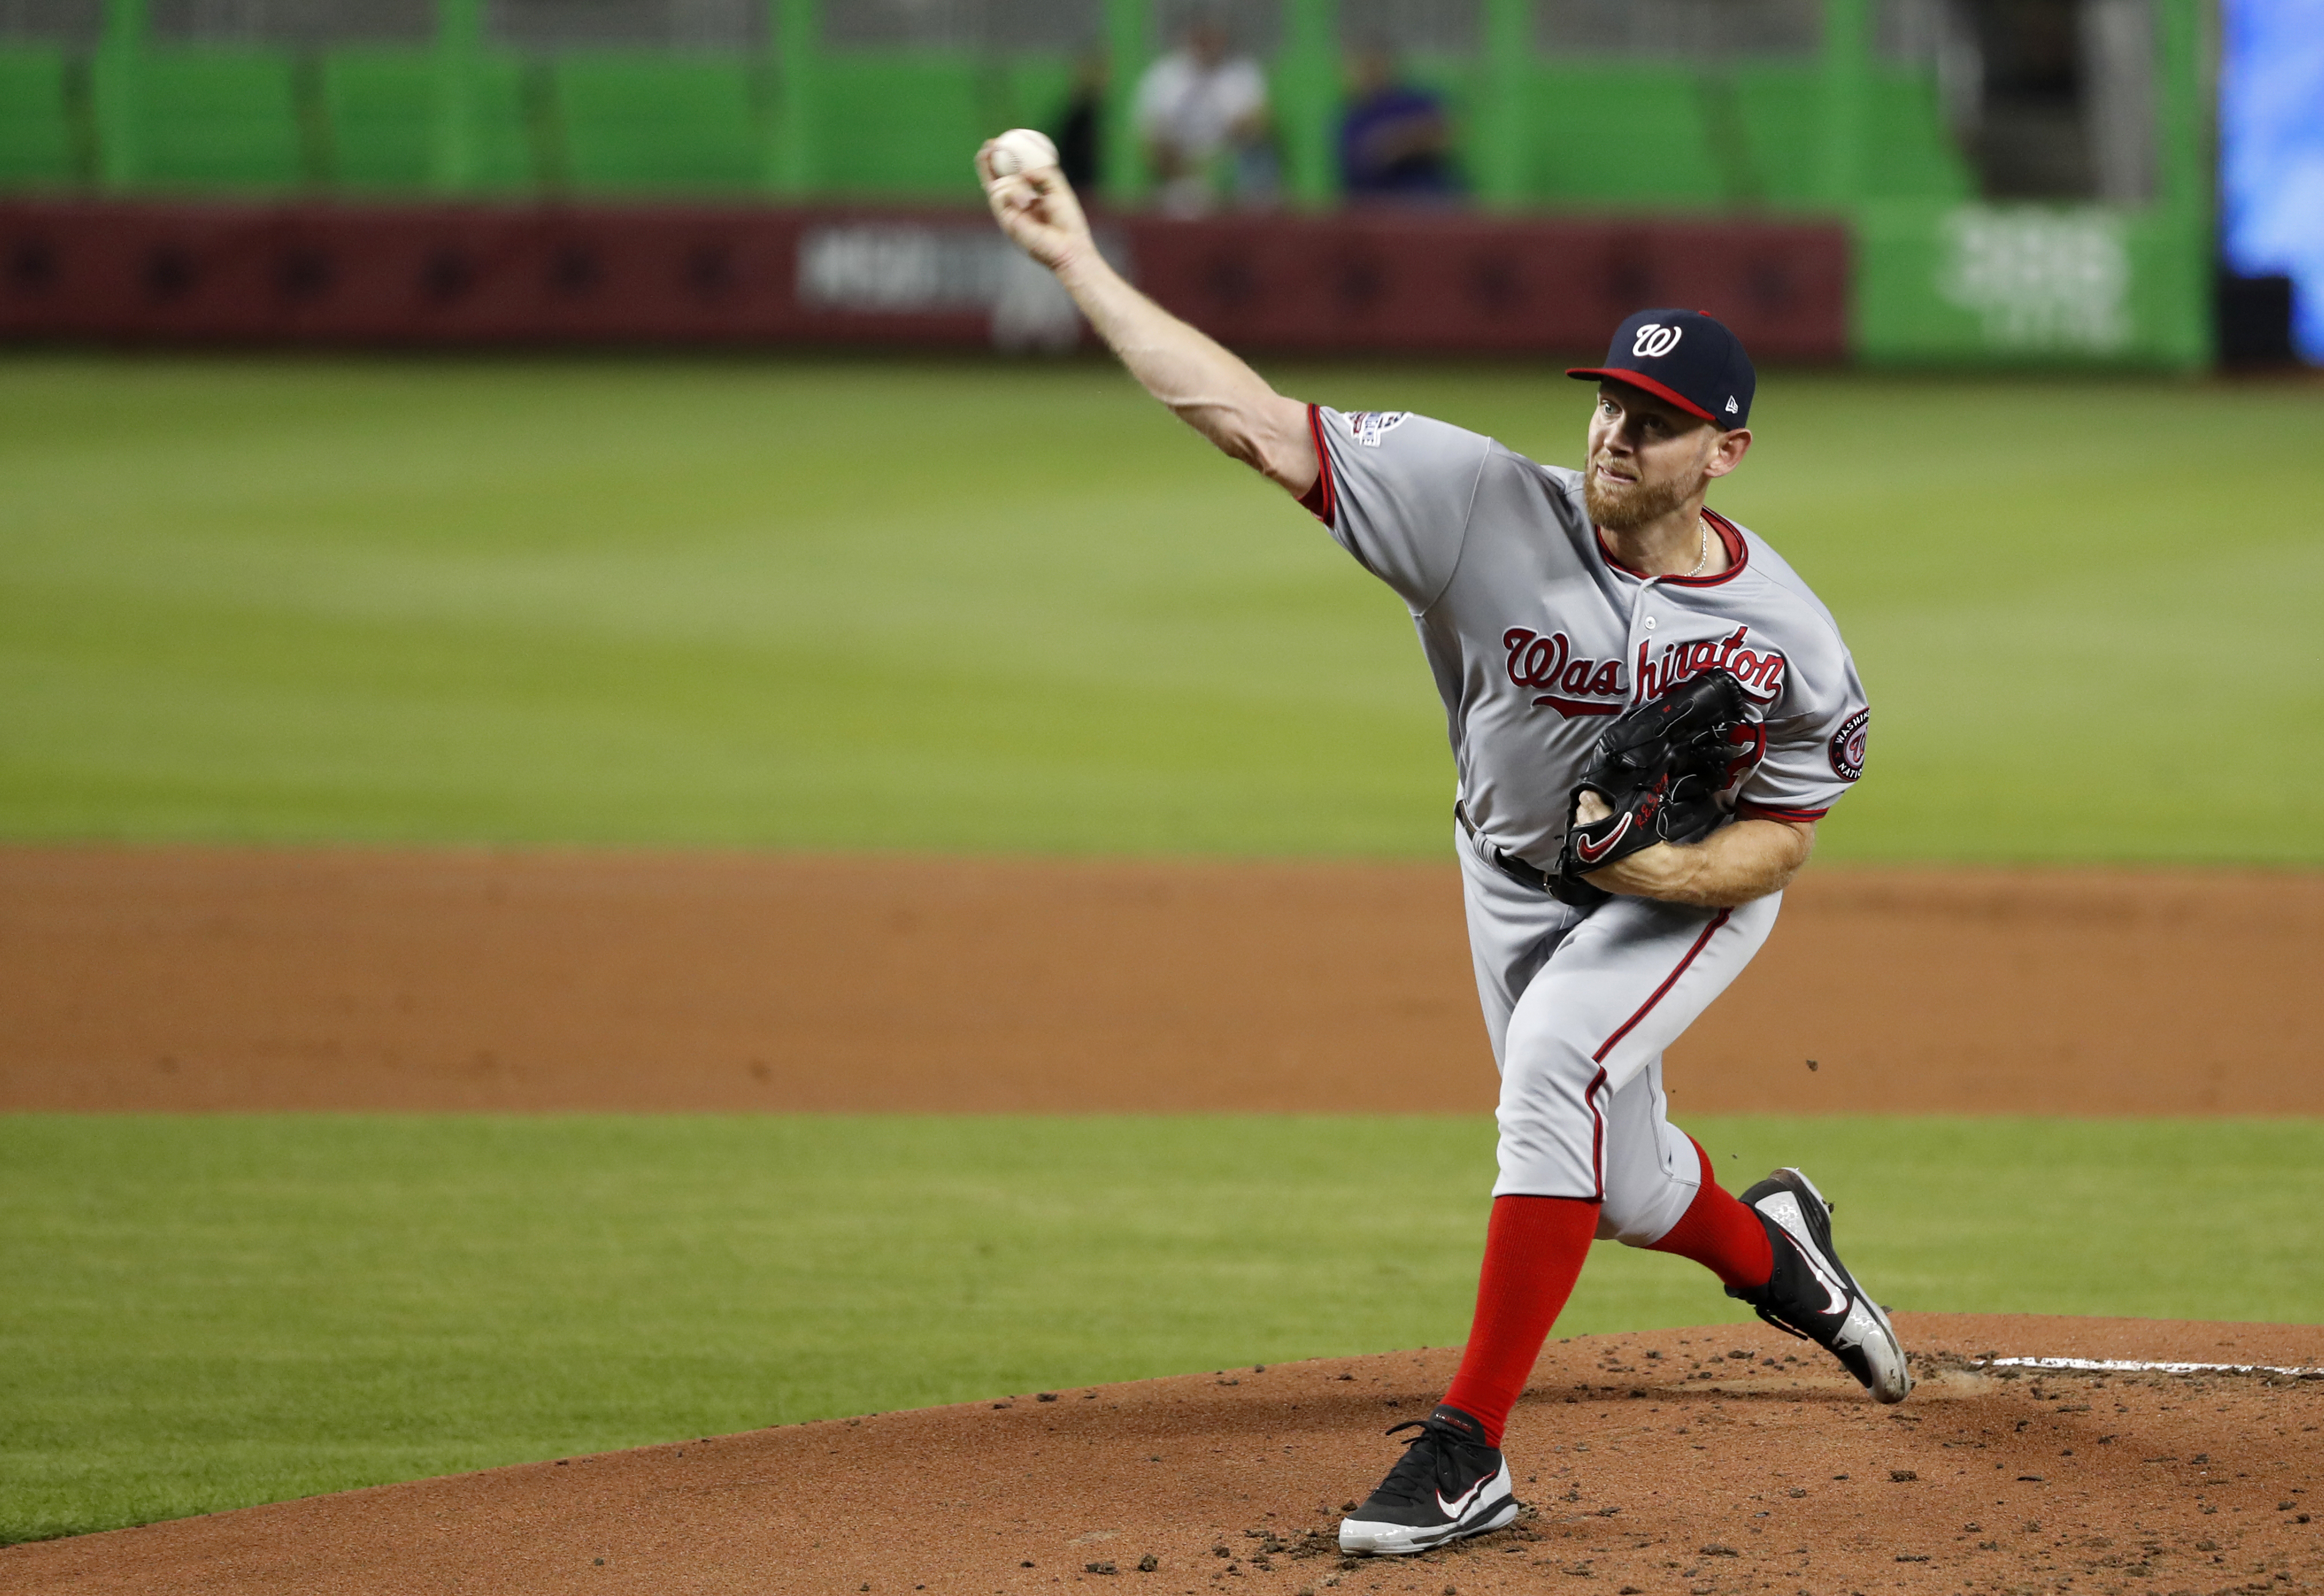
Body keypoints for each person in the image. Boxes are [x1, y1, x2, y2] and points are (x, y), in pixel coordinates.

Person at [974, 142, 1910, 1558]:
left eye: (1651, 420)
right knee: (1623, 1185)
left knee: (1550, 1065)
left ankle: (1465, 1448)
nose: (1611, 433)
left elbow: (1780, 836)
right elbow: (1245, 420)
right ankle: (1786, 1254)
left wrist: (1660, 876)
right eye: (1605, 401)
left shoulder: (1792, 637)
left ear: (1721, 451)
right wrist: (1074, 263)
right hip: (1502, 869)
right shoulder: (1472, 499)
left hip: (1683, 897)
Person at [1132, 16, 1276, 214]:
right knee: (1185, 203)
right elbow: (1152, 141)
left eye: (1214, 34)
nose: (1209, 41)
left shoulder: (1243, 72)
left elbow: (1260, 123)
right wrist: (1191, 169)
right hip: (1182, 175)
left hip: (1235, 170)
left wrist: (1218, 164)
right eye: (1202, 34)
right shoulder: (1163, 77)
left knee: (1258, 181)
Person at [1338, 45, 1458, 201]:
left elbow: (1443, 135)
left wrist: (1395, 141)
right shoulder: (1352, 118)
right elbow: (1369, 156)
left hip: (1424, 201)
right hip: (1373, 206)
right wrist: (1408, 138)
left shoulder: (1414, 102)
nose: (1370, 73)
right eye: (1363, 67)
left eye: (1376, 65)